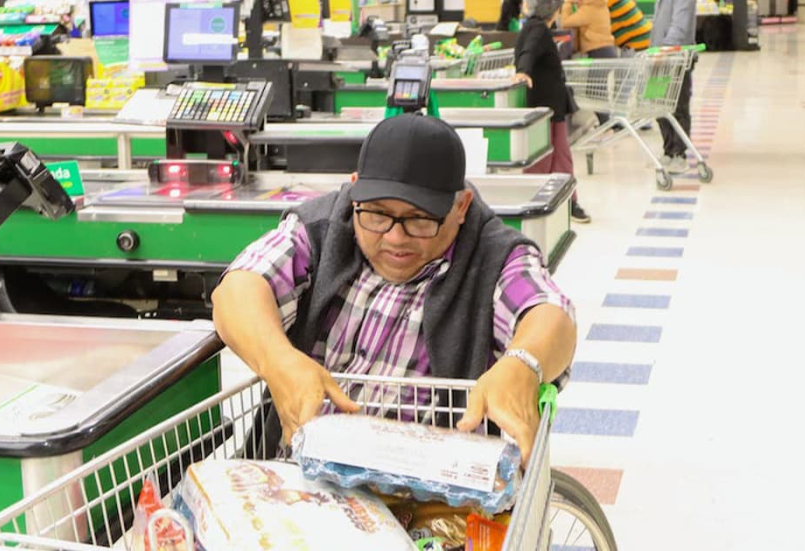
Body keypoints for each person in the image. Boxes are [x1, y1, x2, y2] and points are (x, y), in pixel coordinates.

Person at [211, 114, 577, 466]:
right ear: (356, 189)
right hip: (299, 478)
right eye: (377, 214)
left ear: (461, 206)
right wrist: (280, 361)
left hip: (427, 501)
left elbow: (549, 313)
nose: (395, 237)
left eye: (419, 219)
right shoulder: (325, 226)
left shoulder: (492, 256)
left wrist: (523, 363)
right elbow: (239, 288)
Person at [513, 0, 591, 223]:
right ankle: (533, 202)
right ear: (553, 10)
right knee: (542, 159)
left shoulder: (532, 27)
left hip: (551, 107)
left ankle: (568, 201)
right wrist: (523, 71)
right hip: (543, 109)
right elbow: (529, 51)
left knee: (560, 157)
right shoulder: (538, 30)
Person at [651, 0, 696, 174]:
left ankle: (680, 154)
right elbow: (658, 26)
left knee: (678, 106)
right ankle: (668, 150)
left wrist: (666, 49)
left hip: (677, 56)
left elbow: (680, 25)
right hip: (658, 56)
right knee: (658, 106)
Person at [560, 0, 620, 127]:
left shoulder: (589, 9)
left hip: (600, 52)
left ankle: (608, 125)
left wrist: (567, 4)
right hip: (606, 51)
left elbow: (565, 22)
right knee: (598, 92)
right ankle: (608, 124)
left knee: (595, 93)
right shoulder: (598, 5)